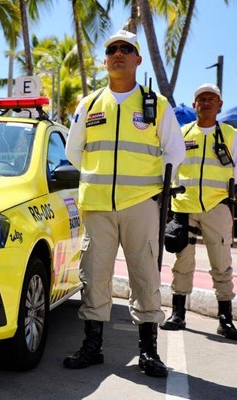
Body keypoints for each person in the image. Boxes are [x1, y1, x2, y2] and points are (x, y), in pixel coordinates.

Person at [63, 29, 185, 377]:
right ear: (105, 60)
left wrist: (155, 192)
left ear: (137, 59)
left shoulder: (155, 104)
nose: (119, 54)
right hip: (98, 206)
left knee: (145, 276)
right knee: (94, 275)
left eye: (126, 49)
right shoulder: (89, 104)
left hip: (141, 204)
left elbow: (175, 152)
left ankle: (148, 351)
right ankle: (92, 346)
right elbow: (75, 152)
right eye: (112, 49)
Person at [160, 83, 237, 340]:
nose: (205, 103)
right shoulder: (182, 134)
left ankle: (224, 318)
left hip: (218, 207)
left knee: (222, 263)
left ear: (219, 105)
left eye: (211, 99)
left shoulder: (230, 135)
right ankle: (178, 313)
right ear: (194, 105)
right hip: (184, 207)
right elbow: (168, 167)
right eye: (201, 99)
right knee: (182, 263)